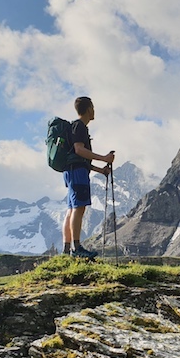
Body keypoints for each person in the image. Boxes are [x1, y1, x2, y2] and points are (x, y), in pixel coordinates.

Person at [62, 96, 115, 258]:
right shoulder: (80, 127)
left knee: (72, 208)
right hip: (78, 173)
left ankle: (66, 249)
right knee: (79, 208)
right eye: (93, 107)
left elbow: (80, 159)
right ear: (88, 109)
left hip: (71, 171)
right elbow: (79, 150)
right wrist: (105, 158)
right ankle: (76, 248)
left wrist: (100, 170)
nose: (94, 111)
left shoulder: (73, 127)